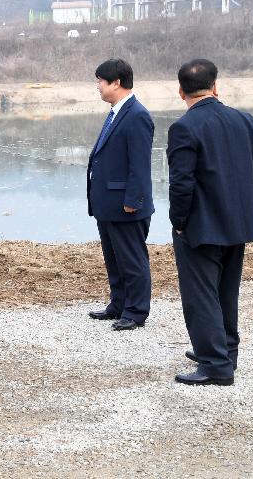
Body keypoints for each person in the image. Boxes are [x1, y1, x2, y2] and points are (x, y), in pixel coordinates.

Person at [168, 59, 253, 386]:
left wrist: (179, 221)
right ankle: (225, 353)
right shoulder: (245, 120)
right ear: (215, 86)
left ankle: (214, 365)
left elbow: (182, 183)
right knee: (226, 291)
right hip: (238, 221)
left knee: (200, 295)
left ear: (181, 91)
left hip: (200, 225)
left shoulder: (184, 127)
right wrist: (238, 204)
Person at [86, 59, 155, 331]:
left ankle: (136, 312)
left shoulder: (137, 115)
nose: (98, 86)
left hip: (126, 205)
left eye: (101, 81)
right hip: (107, 203)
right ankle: (119, 304)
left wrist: (133, 201)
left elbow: (140, 165)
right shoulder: (116, 112)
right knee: (113, 257)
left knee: (132, 259)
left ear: (116, 82)